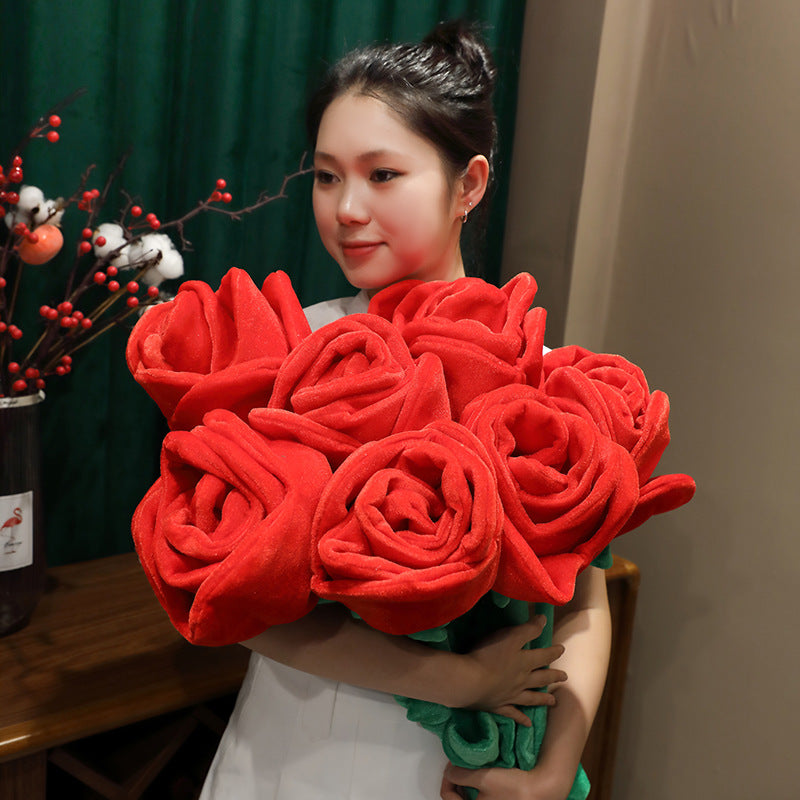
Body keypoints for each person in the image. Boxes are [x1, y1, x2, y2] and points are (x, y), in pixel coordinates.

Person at [199, 20, 611, 800]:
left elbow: (586, 590)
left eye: (381, 175)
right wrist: (454, 677)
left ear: (471, 184)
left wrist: (556, 769)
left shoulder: (543, 373)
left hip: (463, 769)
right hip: (298, 749)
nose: (347, 207)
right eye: (326, 177)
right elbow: (233, 602)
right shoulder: (281, 351)